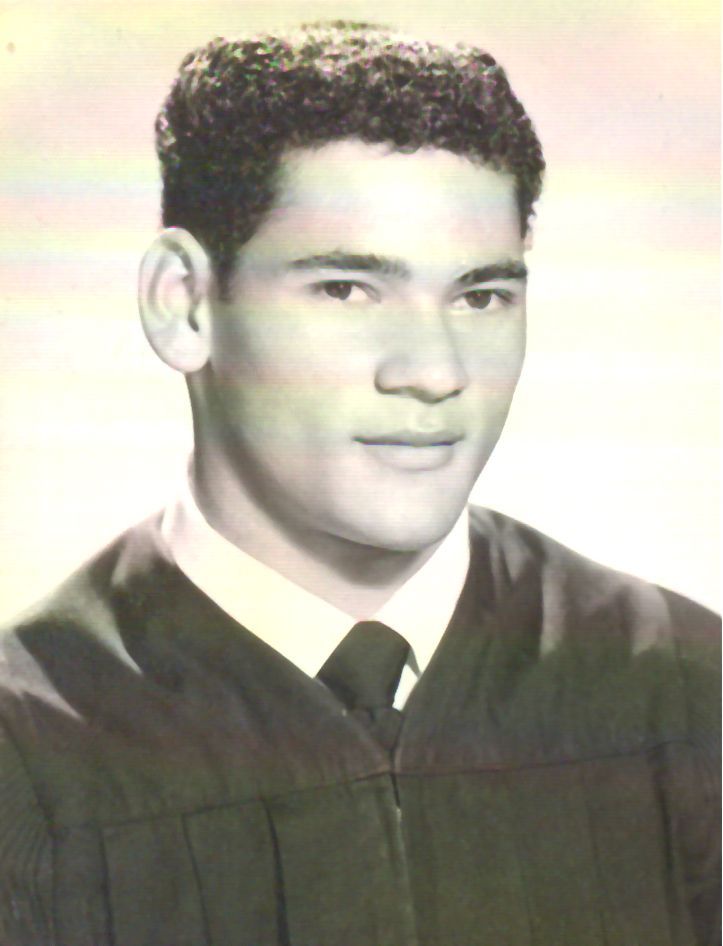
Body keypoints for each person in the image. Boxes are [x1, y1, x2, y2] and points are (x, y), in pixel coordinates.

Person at [0, 20, 718, 946]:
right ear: (183, 304)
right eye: (346, 289)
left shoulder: (684, 693)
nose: (431, 370)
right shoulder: (30, 750)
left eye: (479, 296)